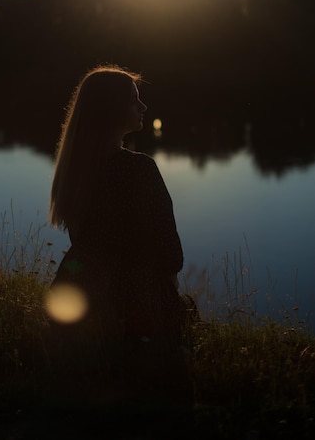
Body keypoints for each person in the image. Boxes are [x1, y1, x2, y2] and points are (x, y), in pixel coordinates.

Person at [46, 64, 195, 412]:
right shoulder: (138, 169)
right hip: (134, 308)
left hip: (80, 299)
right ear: (111, 110)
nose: (143, 107)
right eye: (134, 100)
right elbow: (171, 256)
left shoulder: (74, 170)